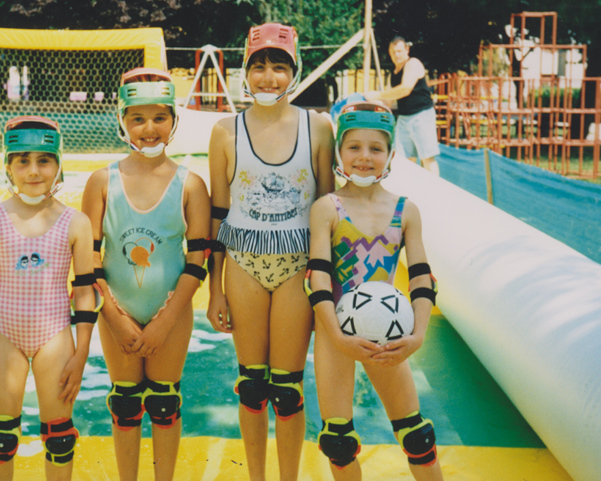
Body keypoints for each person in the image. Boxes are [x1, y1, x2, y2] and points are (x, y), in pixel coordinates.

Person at [207, 23, 334, 481]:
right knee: (251, 386)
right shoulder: (225, 131)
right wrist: (213, 290)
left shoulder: (317, 128)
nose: (268, 77)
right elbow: (217, 214)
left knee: (288, 390)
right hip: (243, 264)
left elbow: (329, 209)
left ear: (293, 72)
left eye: (278, 67)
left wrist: (329, 288)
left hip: (298, 267)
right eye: (258, 66)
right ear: (245, 71)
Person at [81, 67, 210, 481]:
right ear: (121, 121)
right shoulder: (103, 182)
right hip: (116, 312)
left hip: (170, 317)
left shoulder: (191, 184)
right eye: (137, 118)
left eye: (160, 117)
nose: (149, 128)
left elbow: (198, 258)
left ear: (174, 120)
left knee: (165, 403)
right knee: (124, 403)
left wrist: (165, 321)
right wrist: (115, 318)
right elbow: (88, 259)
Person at [0, 116, 99, 481]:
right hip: (5, 334)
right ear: (8, 166)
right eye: (23, 160)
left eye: (44, 160)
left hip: (55, 336)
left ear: (59, 165)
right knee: (2, 439)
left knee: (60, 436)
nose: (33, 171)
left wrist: (81, 353)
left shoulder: (75, 222)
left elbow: (84, 290)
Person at [306, 100, 444, 481]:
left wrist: (417, 336)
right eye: (354, 147)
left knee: (417, 436)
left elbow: (421, 278)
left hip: (390, 335)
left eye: (376, 148)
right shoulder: (327, 208)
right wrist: (336, 335)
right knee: (338, 440)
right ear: (339, 152)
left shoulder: (405, 211)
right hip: (335, 333)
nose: (364, 157)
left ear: (391, 154)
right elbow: (316, 277)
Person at [362, 37, 439, 175]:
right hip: (404, 119)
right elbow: (387, 103)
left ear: (406, 50)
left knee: (427, 159)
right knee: (404, 160)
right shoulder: (393, 74)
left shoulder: (413, 64)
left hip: (421, 116)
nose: (396, 55)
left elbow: (405, 89)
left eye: (399, 51)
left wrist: (378, 95)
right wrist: (368, 103)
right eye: (393, 52)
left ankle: (434, 194)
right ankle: (409, 193)